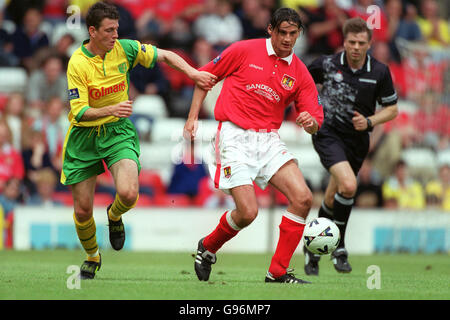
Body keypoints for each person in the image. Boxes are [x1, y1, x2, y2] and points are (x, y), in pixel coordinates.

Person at [62, 1, 217, 280]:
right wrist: (112, 108)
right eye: (109, 31)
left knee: (129, 193)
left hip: (118, 131)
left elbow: (166, 56)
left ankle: (114, 215)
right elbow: (79, 112)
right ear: (92, 31)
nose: (115, 35)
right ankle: (92, 256)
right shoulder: (78, 63)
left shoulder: (125, 49)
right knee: (83, 210)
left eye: (117, 29)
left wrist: (193, 73)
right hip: (84, 137)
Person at [184, 7, 324, 284]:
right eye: (281, 32)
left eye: (292, 33)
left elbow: (315, 117)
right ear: (270, 30)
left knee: (303, 198)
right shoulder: (243, 50)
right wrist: (192, 118)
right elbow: (204, 78)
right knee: (248, 212)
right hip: (234, 136)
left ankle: (278, 272)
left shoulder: (300, 72)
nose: (286, 39)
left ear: (299, 34)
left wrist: (311, 122)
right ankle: (208, 247)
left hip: (268, 139)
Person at [304, 17, 398, 276]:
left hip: (357, 141)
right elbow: (300, 81)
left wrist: (370, 121)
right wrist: (310, 110)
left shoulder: (379, 71)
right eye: (351, 42)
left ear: (369, 44)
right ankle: (339, 248)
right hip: (328, 134)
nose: (356, 47)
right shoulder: (327, 64)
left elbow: (392, 110)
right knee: (348, 185)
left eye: (361, 43)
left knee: (334, 196)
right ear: (344, 42)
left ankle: (312, 248)